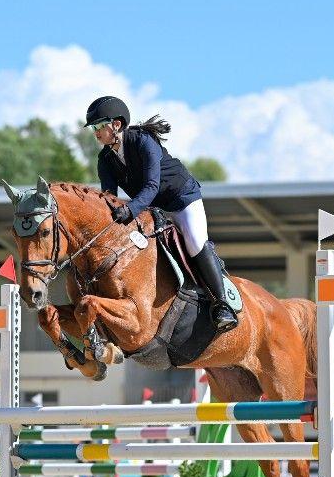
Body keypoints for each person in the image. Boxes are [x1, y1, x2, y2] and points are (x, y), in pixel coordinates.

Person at [85, 95, 237, 332]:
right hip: (152, 209)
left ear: (116, 125)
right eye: (93, 128)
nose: (95, 132)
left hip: (181, 199)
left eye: (98, 126)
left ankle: (222, 304)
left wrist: (130, 209)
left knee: (195, 242)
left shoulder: (142, 141)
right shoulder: (105, 158)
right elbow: (108, 196)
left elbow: (151, 186)